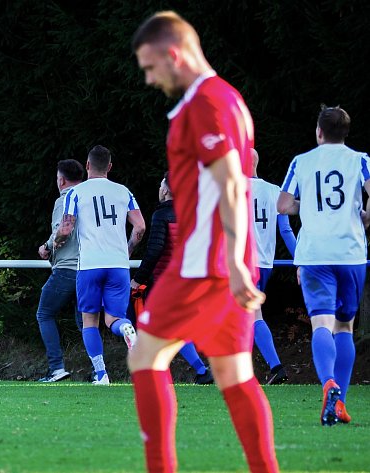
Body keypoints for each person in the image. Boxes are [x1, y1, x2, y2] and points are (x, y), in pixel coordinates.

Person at [129, 11, 279, 472]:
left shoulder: (205, 104)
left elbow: (232, 181)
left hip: (202, 264)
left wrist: (232, 258)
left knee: (145, 358)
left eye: (151, 67)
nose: (150, 79)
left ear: (173, 54)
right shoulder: (227, 98)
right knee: (234, 374)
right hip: (224, 260)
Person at [277, 105, 370, 425]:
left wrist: (309, 204)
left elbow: (284, 204)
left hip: (314, 255)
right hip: (350, 253)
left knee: (321, 325)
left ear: (319, 132)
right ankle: (339, 401)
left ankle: (327, 383)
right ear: (345, 132)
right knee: (345, 326)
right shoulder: (360, 160)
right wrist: (364, 213)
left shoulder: (301, 162)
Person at [55, 145, 145, 385]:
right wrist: (126, 250)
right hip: (118, 265)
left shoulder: (76, 193)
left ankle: (101, 374)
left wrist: (55, 242)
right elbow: (140, 227)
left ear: (87, 166)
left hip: (90, 265)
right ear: (110, 167)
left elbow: (66, 228)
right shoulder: (123, 191)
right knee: (114, 318)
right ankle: (127, 329)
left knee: (90, 320)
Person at [130, 172, 213, 385]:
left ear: (166, 190)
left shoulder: (162, 215)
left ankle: (201, 370)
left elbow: (155, 250)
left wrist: (138, 278)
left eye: (160, 185)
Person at [250, 148, 297, 385]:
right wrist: (300, 259)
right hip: (264, 264)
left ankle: (276, 367)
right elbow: (286, 230)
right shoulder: (274, 191)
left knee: (251, 315)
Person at [35, 159, 84, 383]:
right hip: (88, 269)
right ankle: (99, 369)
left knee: (44, 313)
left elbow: (61, 231)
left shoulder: (64, 200)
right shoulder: (89, 198)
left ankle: (56, 367)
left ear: (61, 179)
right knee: (86, 322)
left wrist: (46, 247)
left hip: (66, 268)